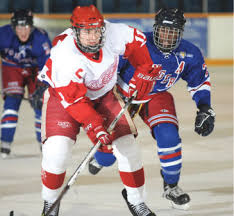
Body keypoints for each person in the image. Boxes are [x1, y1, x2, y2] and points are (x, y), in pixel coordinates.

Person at [38, 5, 161, 216]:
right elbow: (75, 101)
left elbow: (139, 44)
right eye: (86, 31)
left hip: (103, 96)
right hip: (64, 99)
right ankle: (50, 202)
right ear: (76, 31)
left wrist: (144, 70)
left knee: (128, 147)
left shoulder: (115, 33)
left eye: (96, 30)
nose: (93, 36)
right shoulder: (64, 54)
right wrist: (96, 126)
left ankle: (137, 201)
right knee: (58, 150)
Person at [88, 8, 216, 211]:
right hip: (124, 96)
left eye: (172, 33)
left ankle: (171, 186)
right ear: (155, 28)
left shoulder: (188, 53)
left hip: (156, 95)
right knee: (109, 152)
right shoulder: (135, 43)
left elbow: (199, 82)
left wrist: (204, 108)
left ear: (180, 33)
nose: (166, 37)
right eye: (163, 31)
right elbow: (107, 70)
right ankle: (102, 158)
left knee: (169, 136)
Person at [0, 9, 52, 158]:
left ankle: (44, 145)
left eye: (26, 27)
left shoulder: (41, 38)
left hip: (36, 70)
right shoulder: (3, 34)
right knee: (11, 103)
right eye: (19, 28)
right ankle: (5, 144)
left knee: (40, 105)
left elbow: (48, 65)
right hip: (12, 67)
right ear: (13, 27)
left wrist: (42, 88)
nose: (23, 31)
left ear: (32, 27)